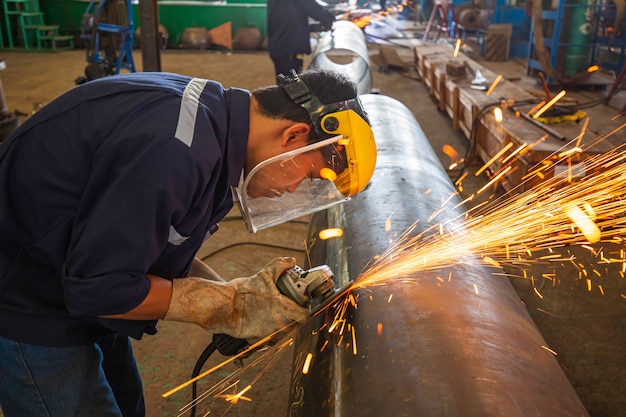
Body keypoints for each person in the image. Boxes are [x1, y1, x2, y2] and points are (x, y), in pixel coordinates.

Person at [0, 69, 377, 417]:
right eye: (308, 174)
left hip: (74, 273)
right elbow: (100, 290)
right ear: (293, 135)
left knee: (128, 405)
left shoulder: (212, 123)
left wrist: (234, 297)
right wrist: (227, 307)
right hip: (27, 299)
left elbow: (147, 245)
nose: (293, 188)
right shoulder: (177, 151)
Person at [267, 0, 335, 81]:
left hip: (279, 44)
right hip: (290, 46)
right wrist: (329, 21)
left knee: (284, 82)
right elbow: (311, 7)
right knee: (292, 84)